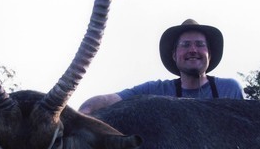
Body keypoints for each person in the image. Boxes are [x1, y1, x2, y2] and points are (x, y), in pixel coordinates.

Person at [79, 19, 244, 114]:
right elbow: (112, 100)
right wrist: (83, 113)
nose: (193, 50)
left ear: (210, 54)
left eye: (199, 45)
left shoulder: (229, 89)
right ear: (174, 55)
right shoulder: (156, 91)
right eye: (185, 45)